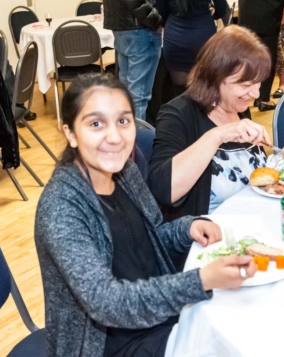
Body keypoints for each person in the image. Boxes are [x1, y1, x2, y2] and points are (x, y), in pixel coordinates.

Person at [35, 73, 257, 356]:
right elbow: (107, 303)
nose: (114, 137)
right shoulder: (62, 206)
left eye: (123, 121)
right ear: (70, 133)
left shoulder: (124, 172)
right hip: (108, 344)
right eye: (95, 124)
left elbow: (152, 237)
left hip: (157, 317)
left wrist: (187, 227)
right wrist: (201, 280)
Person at [148, 26, 273, 222]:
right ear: (215, 78)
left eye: (258, 84)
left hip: (253, 223)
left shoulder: (238, 106)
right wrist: (217, 135)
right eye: (246, 85)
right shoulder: (178, 114)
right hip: (210, 239)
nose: (256, 95)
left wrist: (277, 165)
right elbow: (164, 190)